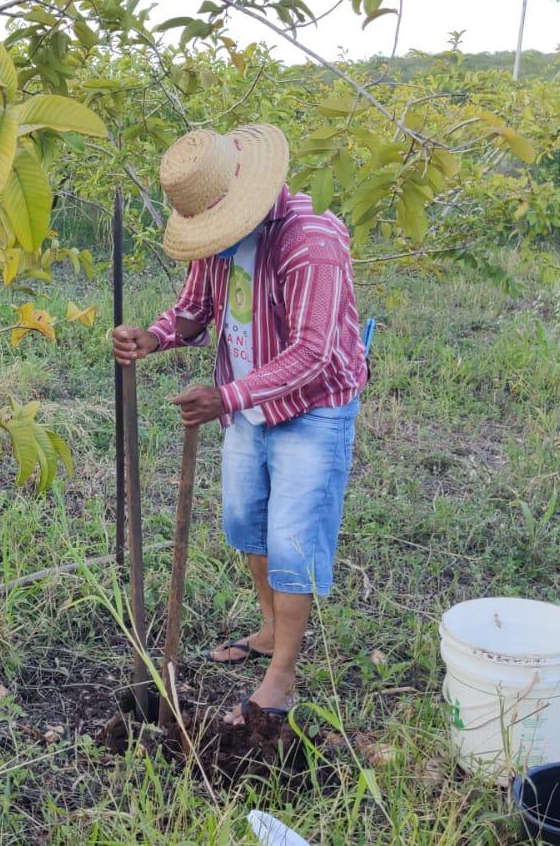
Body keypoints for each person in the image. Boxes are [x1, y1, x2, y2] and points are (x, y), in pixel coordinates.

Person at [111, 124, 368, 724]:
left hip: (313, 408)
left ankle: (282, 675)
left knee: (292, 538)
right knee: (247, 522)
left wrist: (226, 397)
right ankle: (269, 630)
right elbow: (195, 309)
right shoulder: (221, 241)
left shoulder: (312, 242)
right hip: (245, 403)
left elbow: (314, 354)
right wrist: (154, 336)